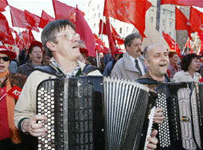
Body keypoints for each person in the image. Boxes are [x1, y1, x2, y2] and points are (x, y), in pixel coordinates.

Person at [14, 19, 158, 149]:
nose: (76, 39)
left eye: (75, 35)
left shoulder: (94, 75)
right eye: (68, 36)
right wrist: (27, 125)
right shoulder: (38, 77)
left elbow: (116, 119)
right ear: (52, 45)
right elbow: (21, 113)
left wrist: (144, 130)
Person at [0, 45, 26, 150]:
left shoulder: (19, 80)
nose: (1, 61)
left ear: (9, 62)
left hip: (16, 139)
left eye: (5, 59)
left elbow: (29, 105)